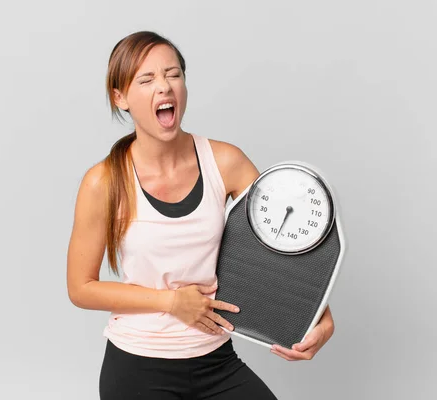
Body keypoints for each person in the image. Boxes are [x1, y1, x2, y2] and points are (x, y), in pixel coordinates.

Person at [66, 30, 335, 399]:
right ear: (120, 97)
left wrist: (319, 314)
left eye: (173, 75)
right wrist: (171, 301)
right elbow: (81, 288)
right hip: (137, 366)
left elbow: (280, 246)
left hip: (215, 360)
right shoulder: (103, 182)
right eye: (147, 80)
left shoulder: (225, 162)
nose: (164, 87)